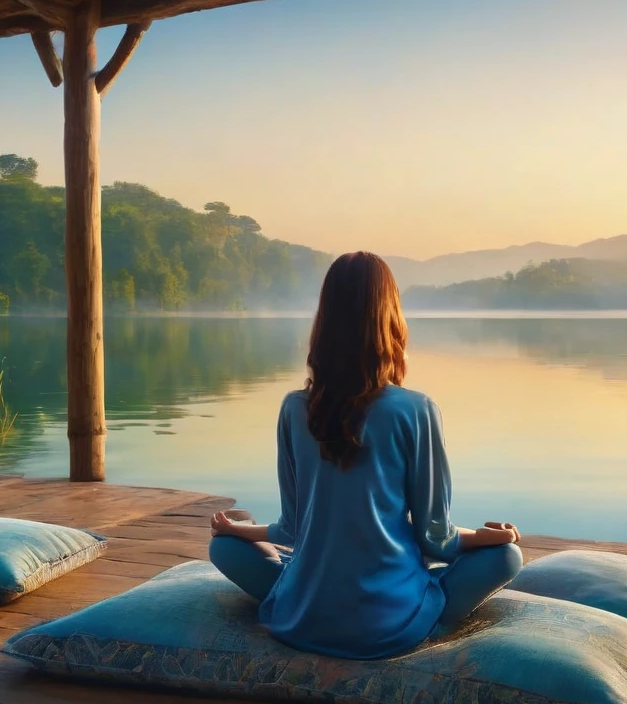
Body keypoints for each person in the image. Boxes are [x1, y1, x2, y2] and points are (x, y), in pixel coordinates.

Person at [208, 251, 523, 660]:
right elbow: (437, 539)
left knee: (222, 549)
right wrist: (489, 538)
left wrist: (240, 532)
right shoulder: (416, 409)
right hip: (387, 627)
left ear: (324, 321)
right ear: (390, 318)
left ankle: (305, 591)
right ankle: (427, 619)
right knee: (505, 558)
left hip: (302, 622)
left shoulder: (293, 407)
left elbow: (292, 531)